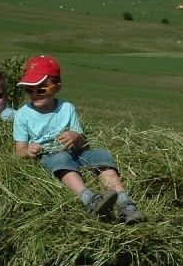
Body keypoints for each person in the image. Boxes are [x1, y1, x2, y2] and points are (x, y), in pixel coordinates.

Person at [13, 55, 144, 223]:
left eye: (41, 89)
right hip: (49, 156)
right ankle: (89, 199)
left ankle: (124, 202)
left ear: (57, 87)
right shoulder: (23, 115)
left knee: (101, 155)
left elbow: (82, 141)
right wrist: (28, 151)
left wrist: (75, 136)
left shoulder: (67, 108)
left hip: (76, 152)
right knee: (60, 158)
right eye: (29, 90)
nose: (34, 94)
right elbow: (19, 151)